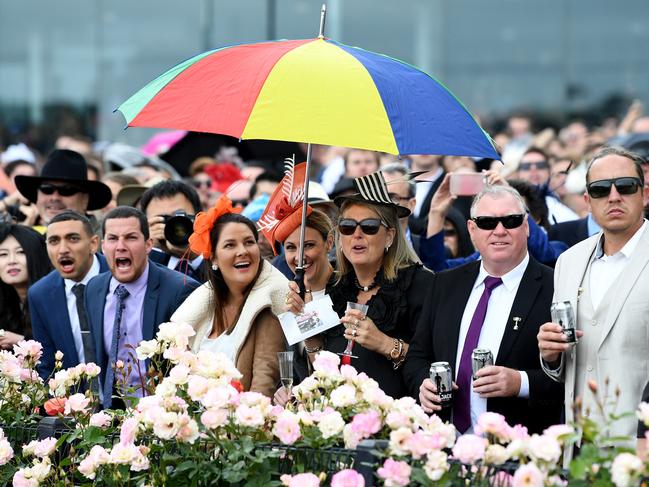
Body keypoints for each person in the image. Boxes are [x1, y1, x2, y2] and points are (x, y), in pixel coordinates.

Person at [404, 185, 563, 434]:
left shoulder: (557, 287)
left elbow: (573, 375)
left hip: (518, 450)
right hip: (444, 445)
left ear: (526, 226)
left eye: (510, 221)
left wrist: (520, 382)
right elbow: (417, 356)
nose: (499, 231)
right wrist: (422, 383)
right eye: (487, 222)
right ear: (472, 229)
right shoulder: (444, 284)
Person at [538, 146, 649, 457]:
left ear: (644, 193)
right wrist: (550, 355)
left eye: (625, 186)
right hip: (579, 447)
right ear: (587, 201)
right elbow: (564, 366)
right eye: (600, 190)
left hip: (638, 445)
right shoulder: (568, 262)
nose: (613, 197)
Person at [291, 171, 434, 399]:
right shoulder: (335, 288)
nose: (356, 235)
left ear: (389, 236)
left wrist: (386, 344)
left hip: (398, 420)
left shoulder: (420, 285)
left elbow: (437, 362)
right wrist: (307, 325)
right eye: (347, 227)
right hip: (340, 420)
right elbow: (322, 371)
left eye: (369, 227)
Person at [170, 195, 288, 398]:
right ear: (213, 257)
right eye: (230, 245)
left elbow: (263, 390)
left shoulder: (267, 307)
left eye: (249, 242)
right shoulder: (203, 303)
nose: (242, 251)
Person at [85, 206, 199, 408]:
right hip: (110, 415)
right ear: (103, 246)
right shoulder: (94, 288)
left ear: (148, 245)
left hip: (163, 413)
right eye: (112, 239)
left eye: (130, 237)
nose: (120, 246)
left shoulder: (179, 289)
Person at [30, 211, 109, 380]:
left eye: (73, 238)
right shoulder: (40, 294)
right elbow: (47, 365)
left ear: (94, 244)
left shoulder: (118, 277)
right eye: (54, 241)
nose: (63, 249)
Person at [14, 149, 112, 230]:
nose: (54, 197)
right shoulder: (29, 242)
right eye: (46, 189)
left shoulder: (107, 241)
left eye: (66, 190)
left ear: (85, 199)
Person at [139, 180, 210, 283]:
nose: (174, 226)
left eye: (180, 217)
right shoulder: (138, 266)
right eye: (163, 219)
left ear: (199, 216)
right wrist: (150, 249)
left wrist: (194, 256)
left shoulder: (218, 255)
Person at [0, 222, 52, 349]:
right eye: (3, 254)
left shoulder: (52, 298)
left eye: (21, 252)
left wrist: (23, 342)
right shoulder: (5, 300)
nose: (12, 261)